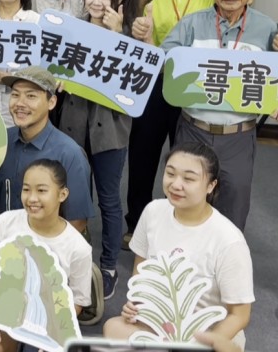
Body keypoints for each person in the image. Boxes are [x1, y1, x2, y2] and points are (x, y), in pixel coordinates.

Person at [159, 0, 278, 231]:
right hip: (193, 130)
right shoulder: (191, 24)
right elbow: (164, 62)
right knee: (183, 205)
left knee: (233, 211)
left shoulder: (267, 28)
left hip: (238, 135)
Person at [124, 0, 231, 242]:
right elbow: (136, 39)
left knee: (188, 159)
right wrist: (137, 6)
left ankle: (184, 222)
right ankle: (136, 224)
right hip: (156, 84)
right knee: (142, 156)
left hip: (195, 86)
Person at [103, 142, 254, 350]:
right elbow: (141, 270)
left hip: (209, 333)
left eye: (189, 179)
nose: (175, 184)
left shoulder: (228, 240)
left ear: (211, 186)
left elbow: (239, 315)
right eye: (170, 174)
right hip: (161, 324)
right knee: (113, 329)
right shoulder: (153, 211)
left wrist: (203, 342)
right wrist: (137, 303)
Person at [58, 0, 137, 300]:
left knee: (108, 199)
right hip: (73, 126)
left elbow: (134, 89)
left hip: (110, 132)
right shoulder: (72, 30)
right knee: (73, 196)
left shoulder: (131, 38)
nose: (96, 1)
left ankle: (108, 266)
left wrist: (118, 35)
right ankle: (71, 260)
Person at [0, 160, 93, 352]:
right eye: (26, 189)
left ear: (62, 194)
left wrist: (52, 334)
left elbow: (77, 302)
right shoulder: (6, 222)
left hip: (48, 323)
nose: (32, 198)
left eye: (41, 190)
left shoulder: (78, 247)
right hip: (8, 312)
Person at [0, 66, 94, 233]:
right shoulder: (2, 140)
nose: (20, 103)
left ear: (51, 102)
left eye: (31, 96)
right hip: (0, 242)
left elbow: (77, 222)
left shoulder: (70, 154)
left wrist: (34, 246)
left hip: (42, 246)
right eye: (15, 94)